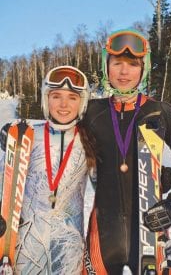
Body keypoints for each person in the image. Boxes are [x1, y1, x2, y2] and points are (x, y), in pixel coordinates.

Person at [82, 29, 171, 274]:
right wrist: (20, 135)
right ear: (106, 66)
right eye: (117, 63)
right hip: (103, 237)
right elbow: (57, 134)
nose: (124, 72)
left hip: (151, 232)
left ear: (143, 69)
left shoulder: (160, 111)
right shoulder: (92, 112)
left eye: (132, 64)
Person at [0, 66, 96, 274]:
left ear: (82, 102)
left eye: (72, 97)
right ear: (46, 99)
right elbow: (4, 181)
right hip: (26, 245)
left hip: (68, 246)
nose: (63, 104)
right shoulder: (27, 136)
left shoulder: (89, 140)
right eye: (56, 96)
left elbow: (110, 187)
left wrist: (154, 179)